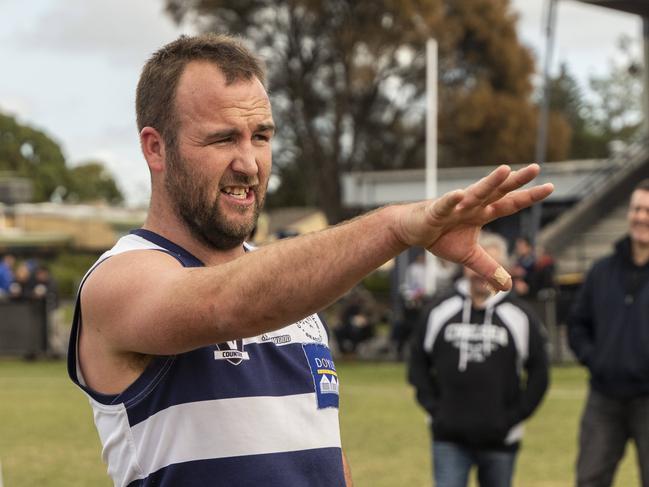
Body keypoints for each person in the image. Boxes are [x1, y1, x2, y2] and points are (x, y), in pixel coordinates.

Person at [66, 33, 553, 487]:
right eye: (222, 139)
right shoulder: (118, 280)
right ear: (156, 148)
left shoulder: (294, 295)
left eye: (261, 136)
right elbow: (228, 303)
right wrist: (394, 228)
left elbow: (319, 452)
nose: (249, 163)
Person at [408, 231, 549, 487]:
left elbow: (540, 372)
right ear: (464, 266)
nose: (480, 273)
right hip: (448, 438)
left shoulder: (520, 315)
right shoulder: (439, 311)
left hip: (500, 440)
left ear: (503, 269)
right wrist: (435, 410)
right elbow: (417, 362)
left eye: (489, 266)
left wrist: (514, 417)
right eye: (474, 264)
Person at [568, 178, 649, 487]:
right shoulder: (602, 271)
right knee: (590, 478)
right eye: (636, 209)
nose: (641, 217)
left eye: (648, 210)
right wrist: (595, 359)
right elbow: (578, 323)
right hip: (604, 397)